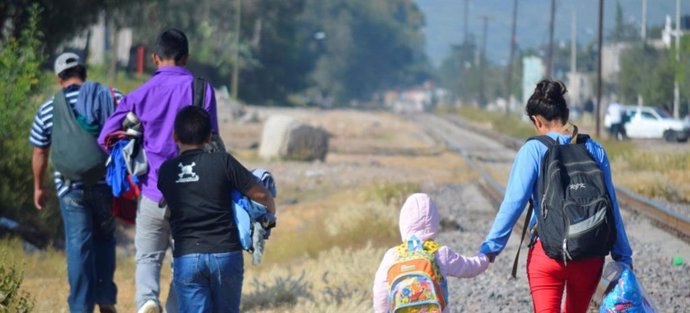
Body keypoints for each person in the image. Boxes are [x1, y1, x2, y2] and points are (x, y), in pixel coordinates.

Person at [479, 80, 633, 313]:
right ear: (565, 114)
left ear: (537, 121)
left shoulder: (533, 150)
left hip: (548, 253)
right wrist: (623, 255)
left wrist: (490, 249)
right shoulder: (594, 149)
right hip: (590, 255)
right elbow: (611, 205)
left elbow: (513, 204)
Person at [98, 29, 218, 313]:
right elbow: (212, 139)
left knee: (148, 257)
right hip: (192, 194)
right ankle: (176, 308)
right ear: (186, 58)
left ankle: (147, 301)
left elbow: (106, 137)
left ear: (154, 58)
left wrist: (133, 148)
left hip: (153, 190)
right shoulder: (202, 90)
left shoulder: (140, 94)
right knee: (186, 260)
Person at [157, 106, 276, 312]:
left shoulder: (166, 171)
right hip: (225, 254)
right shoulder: (223, 162)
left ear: (175, 135)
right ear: (209, 136)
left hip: (187, 256)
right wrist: (270, 217)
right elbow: (262, 194)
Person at [30, 52, 121, 313]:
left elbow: (39, 151)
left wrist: (38, 186)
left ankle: (80, 306)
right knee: (104, 239)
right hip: (104, 184)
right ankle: (105, 297)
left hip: (70, 189)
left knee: (79, 245)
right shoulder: (107, 97)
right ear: (83, 73)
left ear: (59, 79)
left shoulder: (48, 108)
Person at [372, 193, 489, 313]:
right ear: (434, 222)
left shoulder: (393, 255)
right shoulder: (440, 252)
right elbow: (468, 267)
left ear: (403, 222)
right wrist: (485, 257)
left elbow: (380, 291)